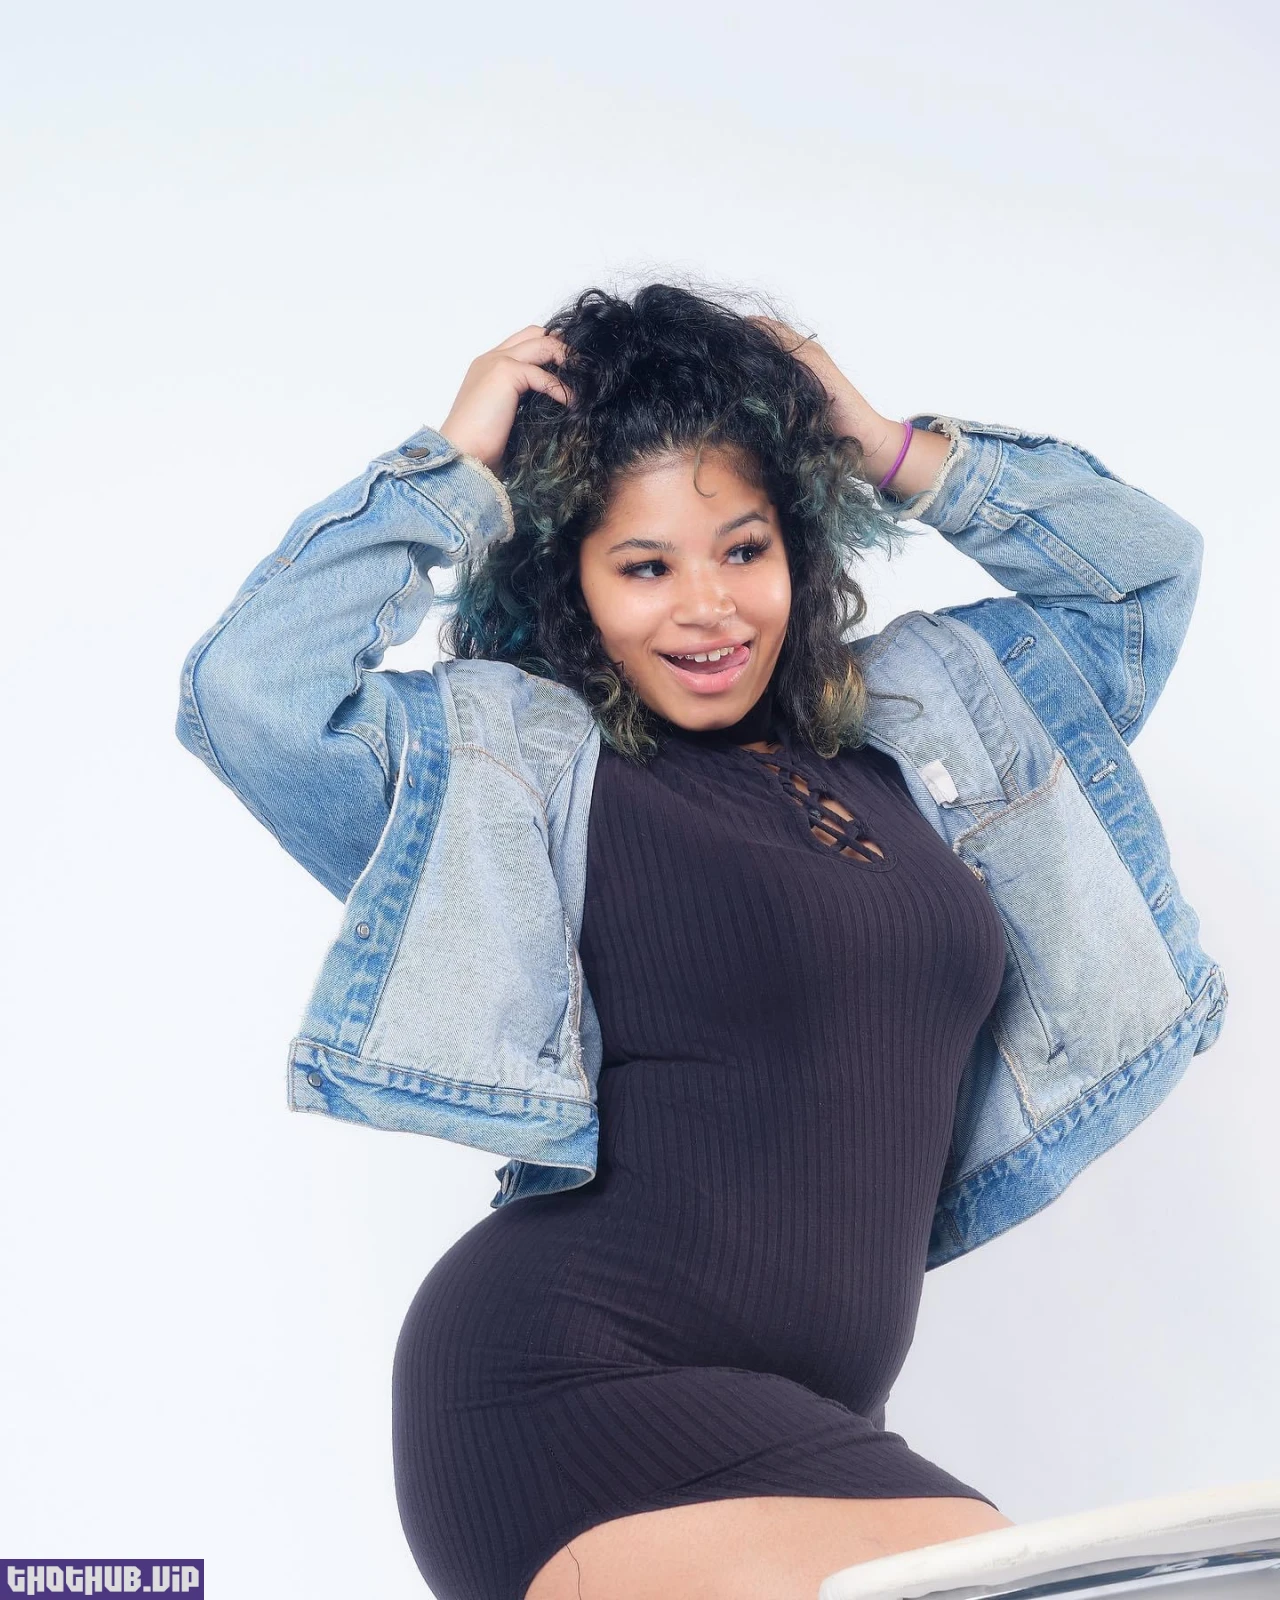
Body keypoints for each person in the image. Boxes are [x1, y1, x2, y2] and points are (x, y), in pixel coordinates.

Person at [174, 283, 1225, 1600]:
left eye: (743, 549)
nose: (710, 608)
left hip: (816, 1415)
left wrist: (885, 444)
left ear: (803, 542)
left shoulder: (933, 727)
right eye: (645, 566)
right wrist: (452, 470)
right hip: (569, 1379)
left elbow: (1144, 574)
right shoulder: (517, 776)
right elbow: (249, 693)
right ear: (570, 579)